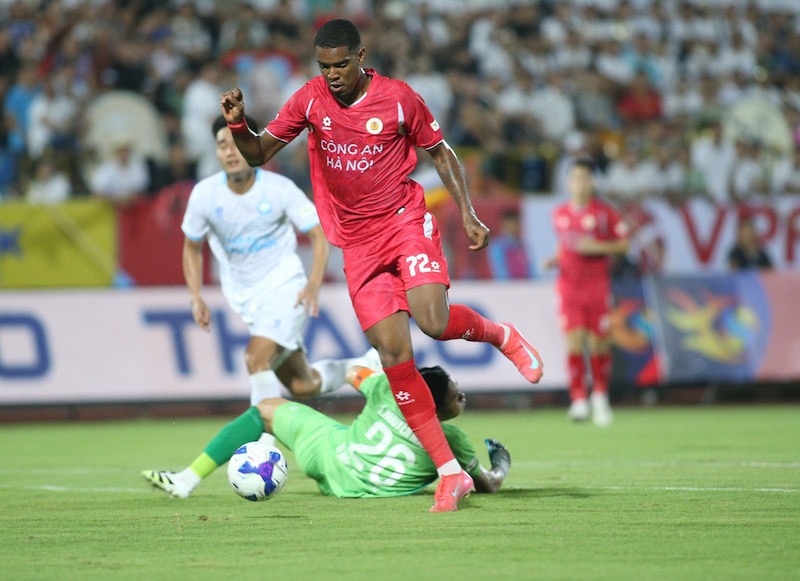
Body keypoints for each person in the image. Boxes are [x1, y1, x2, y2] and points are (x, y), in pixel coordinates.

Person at [219, 19, 542, 512]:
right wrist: (241, 124)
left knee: (432, 322)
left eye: (341, 64)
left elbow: (442, 152)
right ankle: (450, 474)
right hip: (359, 245)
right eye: (324, 66)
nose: (332, 75)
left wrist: (470, 213)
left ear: (361, 56)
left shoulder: (398, 98)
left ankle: (502, 335)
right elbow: (260, 153)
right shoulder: (309, 100)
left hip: (405, 221)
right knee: (394, 359)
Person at [169, 114, 379, 449]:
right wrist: (195, 296)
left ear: (250, 145)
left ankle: (262, 451)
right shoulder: (204, 196)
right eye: (223, 145)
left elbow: (318, 234)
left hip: (286, 287)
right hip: (247, 299)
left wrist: (312, 284)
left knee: (255, 358)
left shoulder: (279, 189)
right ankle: (363, 365)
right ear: (216, 152)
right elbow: (192, 247)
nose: (231, 151)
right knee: (302, 384)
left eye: (238, 143)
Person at [142, 364, 511, 500]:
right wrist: (502, 463)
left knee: (265, 409)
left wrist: (357, 370)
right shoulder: (453, 441)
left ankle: (187, 479)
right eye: (455, 394)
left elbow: (353, 374)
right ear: (435, 408)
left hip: (329, 454)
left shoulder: (387, 391)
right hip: (358, 492)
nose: (462, 395)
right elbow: (487, 484)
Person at [545, 156, 629, 427]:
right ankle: (579, 399)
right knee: (574, 340)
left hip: (597, 287)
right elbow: (565, 245)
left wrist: (599, 247)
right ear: (569, 182)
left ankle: (601, 398)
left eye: (585, 178)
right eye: (575, 178)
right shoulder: (559, 213)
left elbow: (623, 245)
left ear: (592, 182)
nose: (580, 183)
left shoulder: (605, 213)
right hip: (569, 286)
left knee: (598, 343)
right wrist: (554, 259)